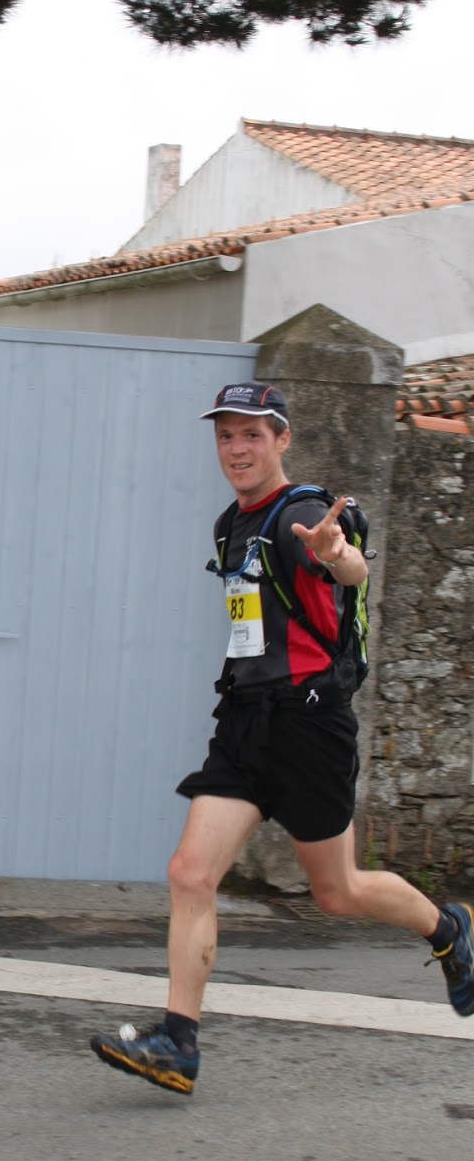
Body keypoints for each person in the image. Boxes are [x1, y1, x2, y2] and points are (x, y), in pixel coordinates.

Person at [90, 379, 474, 1096]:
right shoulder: (228, 525)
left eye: (253, 434)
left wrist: (336, 556)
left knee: (337, 892)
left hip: (308, 723)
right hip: (244, 720)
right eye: (226, 435)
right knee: (189, 873)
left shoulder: (303, 513)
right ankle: (179, 1043)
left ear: (282, 440)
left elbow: (349, 565)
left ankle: (448, 929)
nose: (237, 448)